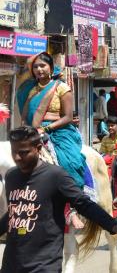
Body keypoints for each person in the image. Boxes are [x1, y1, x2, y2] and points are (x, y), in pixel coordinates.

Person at [0, 126, 117, 272]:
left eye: (24, 153)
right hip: (10, 265)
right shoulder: (11, 176)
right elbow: (14, 212)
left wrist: (112, 225)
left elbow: (83, 203)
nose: (17, 158)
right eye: (14, 152)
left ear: (38, 148)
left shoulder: (56, 176)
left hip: (43, 266)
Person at [16, 52, 91, 214]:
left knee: (70, 162)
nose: (39, 69)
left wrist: (46, 128)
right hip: (33, 131)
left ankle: (73, 207)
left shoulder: (61, 87)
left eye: (42, 65)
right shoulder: (30, 90)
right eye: (36, 67)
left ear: (51, 67)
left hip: (59, 131)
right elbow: (24, 117)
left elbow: (68, 117)